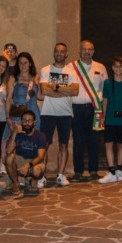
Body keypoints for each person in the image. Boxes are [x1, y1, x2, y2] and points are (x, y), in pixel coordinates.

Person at [38, 43, 79, 187]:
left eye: (62, 52)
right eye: (57, 51)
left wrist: (54, 87)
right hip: (48, 112)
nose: (59, 54)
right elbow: (44, 91)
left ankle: (60, 175)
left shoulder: (71, 72)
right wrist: (65, 90)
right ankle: (41, 176)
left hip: (65, 113)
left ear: (66, 54)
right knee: (44, 145)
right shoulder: (45, 70)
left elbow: (75, 91)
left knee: (63, 144)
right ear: (54, 52)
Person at [69, 40, 108, 181]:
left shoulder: (101, 67)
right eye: (84, 49)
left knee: (94, 141)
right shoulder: (70, 67)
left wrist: (104, 112)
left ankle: (93, 171)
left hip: (95, 109)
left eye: (90, 49)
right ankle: (78, 171)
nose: (87, 52)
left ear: (93, 51)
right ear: (79, 51)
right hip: (76, 109)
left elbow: (104, 90)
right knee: (78, 141)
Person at [98, 56, 122, 184]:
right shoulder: (107, 83)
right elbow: (105, 100)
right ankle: (111, 171)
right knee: (108, 144)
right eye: (116, 66)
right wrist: (103, 117)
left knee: (121, 144)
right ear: (112, 67)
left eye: (121, 66)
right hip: (110, 118)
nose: (118, 68)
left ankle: (119, 170)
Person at [4, 110, 46, 196]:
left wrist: (28, 165)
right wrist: (14, 132)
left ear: (34, 122)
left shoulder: (40, 135)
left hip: (34, 162)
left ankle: (33, 181)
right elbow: (8, 150)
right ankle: (16, 184)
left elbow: (40, 157)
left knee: (36, 171)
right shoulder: (18, 134)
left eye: (29, 121)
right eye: (24, 120)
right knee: (8, 158)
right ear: (21, 121)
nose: (27, 123)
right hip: (20, 160)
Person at [6, 52, 41, 137]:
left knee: (34, 139)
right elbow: (9, 99)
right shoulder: (13, 78)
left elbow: (40, 96)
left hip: (33, 112)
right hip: (18, 113)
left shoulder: (35, 77)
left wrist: (41, 85)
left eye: (25, 63)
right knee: (16, 138)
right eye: (20, 63)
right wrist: (7, 117)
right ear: (17, 64)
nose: (23, 65)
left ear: (30, 64)